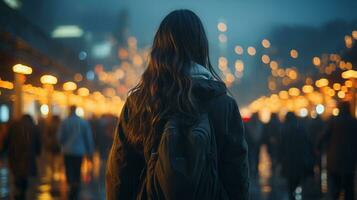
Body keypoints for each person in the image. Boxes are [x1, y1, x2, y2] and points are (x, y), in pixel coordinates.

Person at [106, 9, 249, 200]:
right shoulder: (223, 104)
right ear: (201, 47)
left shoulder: (139, 103)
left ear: (158, 48)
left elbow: (120, 174)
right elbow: (236, 176)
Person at [319, 102, 357, 200]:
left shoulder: (334, 122)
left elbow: (322, 137)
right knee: (349, 188)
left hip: (335, 160)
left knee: (335, 188)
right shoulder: (354, 122)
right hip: (350, 160)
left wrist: (319, 149)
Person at [57, 106, 94, 200]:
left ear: (70, 110)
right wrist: (89, 152)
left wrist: (63, 144)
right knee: (77, 170)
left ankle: (71, 185)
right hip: (79, 151)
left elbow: (59, 137)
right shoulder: (83, 122)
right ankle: (75, 187)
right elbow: (88, 138)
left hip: (67, 151)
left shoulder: (65, 122)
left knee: (69, 170)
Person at [280, 112, 314, 200]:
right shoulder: (301, 128)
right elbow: (308, 143)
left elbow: (281, 147)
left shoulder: (284, 129)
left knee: (290, 185)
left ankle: (292, 196)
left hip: (289, 161)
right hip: (300, 159)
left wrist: (280, 160)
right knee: (300, 180)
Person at [6, 114, 41, 200]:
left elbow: (7, 140)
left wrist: (5, 152)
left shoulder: (14, 126)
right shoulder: (34, 127)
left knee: (17, 175)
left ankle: (18, 192)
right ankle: (22, 192)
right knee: (25, 175)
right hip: (29, 156)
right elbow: (38, 142)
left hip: (15, 156)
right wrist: (37, 152)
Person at [245, 113, 264, 178]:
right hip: (254, 143)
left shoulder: (248, 124)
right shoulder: (260, 124)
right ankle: (254, 170)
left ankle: (253, 170)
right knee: (253, 157)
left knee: (253, 157)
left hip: (253, 144)